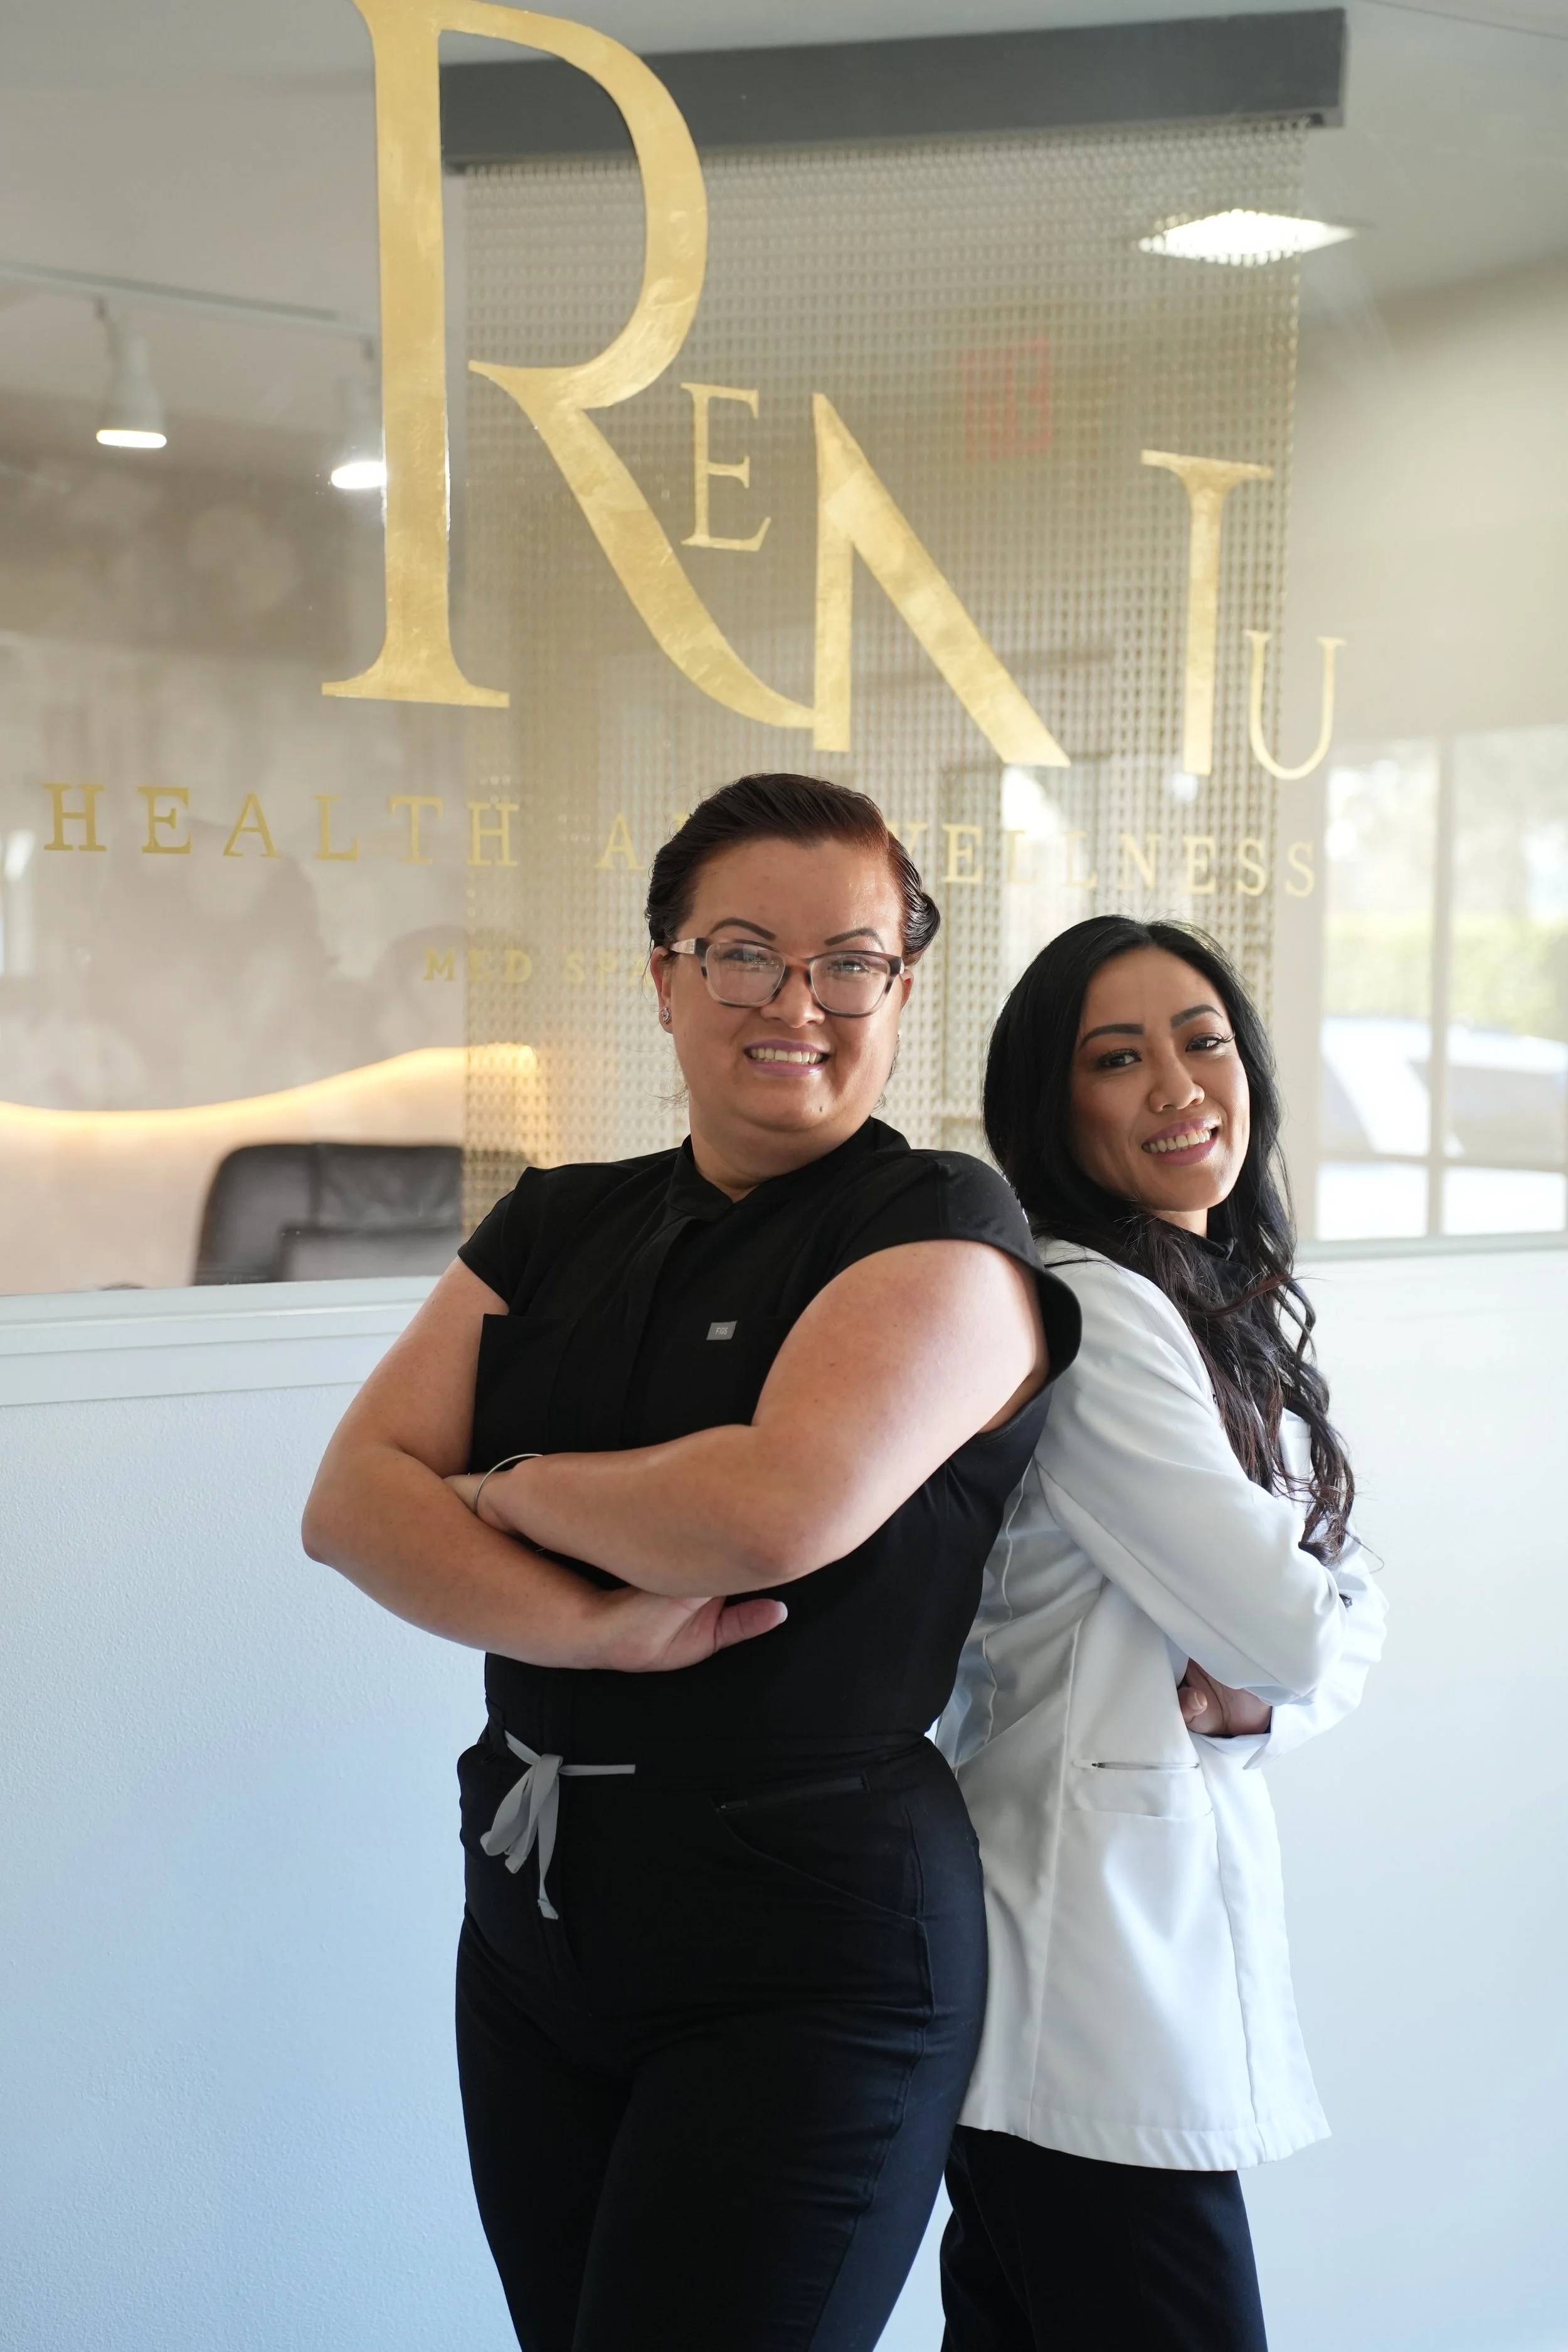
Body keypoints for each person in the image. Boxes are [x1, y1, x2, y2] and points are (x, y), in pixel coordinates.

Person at [302, 773, 1080, 2352]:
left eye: (848, 962)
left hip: (806, 1951)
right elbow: (351, 1507)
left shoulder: (938, 1221)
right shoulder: (550, 1223)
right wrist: (599, 1635)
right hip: (532, 1922)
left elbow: (773, 1510)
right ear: (664, 978)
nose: (797, 1002)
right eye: (743, 953)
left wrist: (505, 1486)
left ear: (899, 992)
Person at [935, 914, 1387, 2352]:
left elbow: (1307, 1629)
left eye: (1200, 1040)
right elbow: (1302, 1625)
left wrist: (1263, 1699)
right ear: (1049, 1109)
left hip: (1102, 1980)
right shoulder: (1094, 1311)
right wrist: (1291, 1662)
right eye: (1115, 1058)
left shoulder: (1199, 1306)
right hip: (1081, 1978)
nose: (1178, 1086)